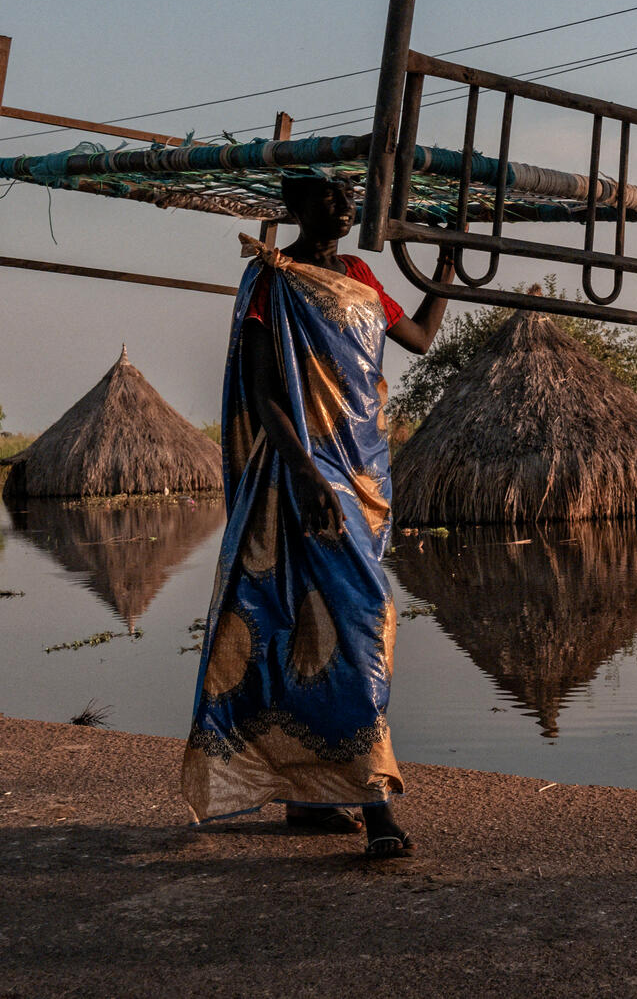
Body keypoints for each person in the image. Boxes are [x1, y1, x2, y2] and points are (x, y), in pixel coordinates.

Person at [180, 172, 454, 858]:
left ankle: (309, 796)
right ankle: (376, 804)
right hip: (309, 475)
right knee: (367, 620)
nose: (342, 205)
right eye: (326, 198)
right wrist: (304, 473)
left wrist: (446, 270)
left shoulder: (360, 273)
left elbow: (419, 337)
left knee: (314, 624)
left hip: (365, 470)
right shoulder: (275, 280)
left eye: (347, 195)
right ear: (295, 210)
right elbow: (267, 392)